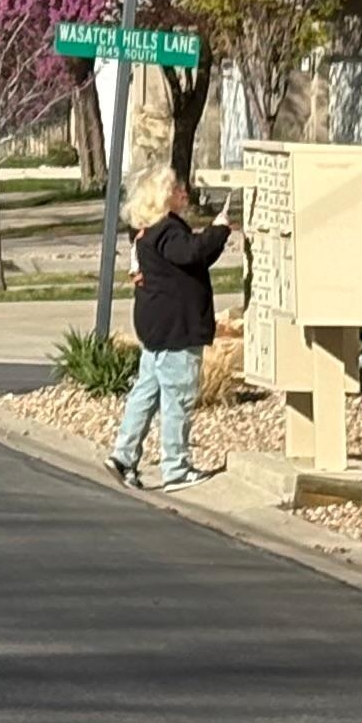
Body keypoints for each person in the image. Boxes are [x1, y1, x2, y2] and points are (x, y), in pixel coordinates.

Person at [110, 166, 235, 490]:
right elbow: (192, 253)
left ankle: (123, 456)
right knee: (177, 397)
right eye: (178, 188)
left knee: (146, 394)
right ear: (164, 197)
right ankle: (176, 468)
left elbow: (190, 257)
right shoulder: (168, 231)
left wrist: (214, 236)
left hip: (155, 331)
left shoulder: (146, 233)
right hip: (176, 330)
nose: (185, 192)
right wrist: (218, 231)